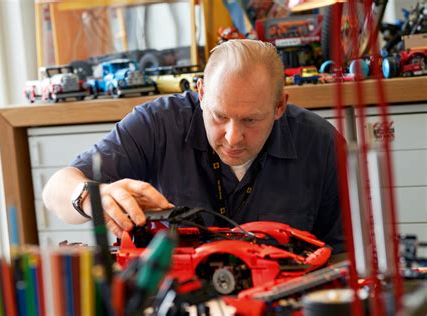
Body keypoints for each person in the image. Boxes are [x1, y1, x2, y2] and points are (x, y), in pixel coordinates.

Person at [42, 39, 345, 253]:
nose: (232, 137)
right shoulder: (157, 124)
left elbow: (347, 256)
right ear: (201, 93)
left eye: (251, 120)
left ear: (280, 106)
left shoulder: (321, 145)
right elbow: (55, 190)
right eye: (219, 116)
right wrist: (93, 196)